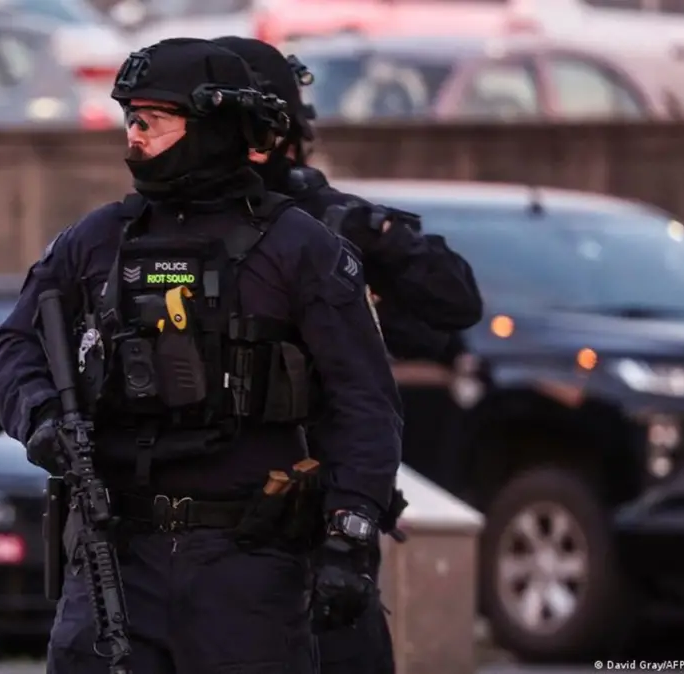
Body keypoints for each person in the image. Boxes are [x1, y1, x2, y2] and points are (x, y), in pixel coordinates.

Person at [0, 38, 403, 674]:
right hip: (115, 555)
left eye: (151, 120)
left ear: (210, 126)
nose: (134, 137)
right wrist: (40, 418)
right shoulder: (96, 241)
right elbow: (15, 347)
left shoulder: (299, 249)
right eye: (130, 119)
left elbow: (364, 402)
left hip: (248, 567)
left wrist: (350, 532)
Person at [211, 36, 486, 674]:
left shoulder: (327, 225)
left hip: (317, 518)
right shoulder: (153, 232)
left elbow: (454, 301)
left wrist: (374, 237)